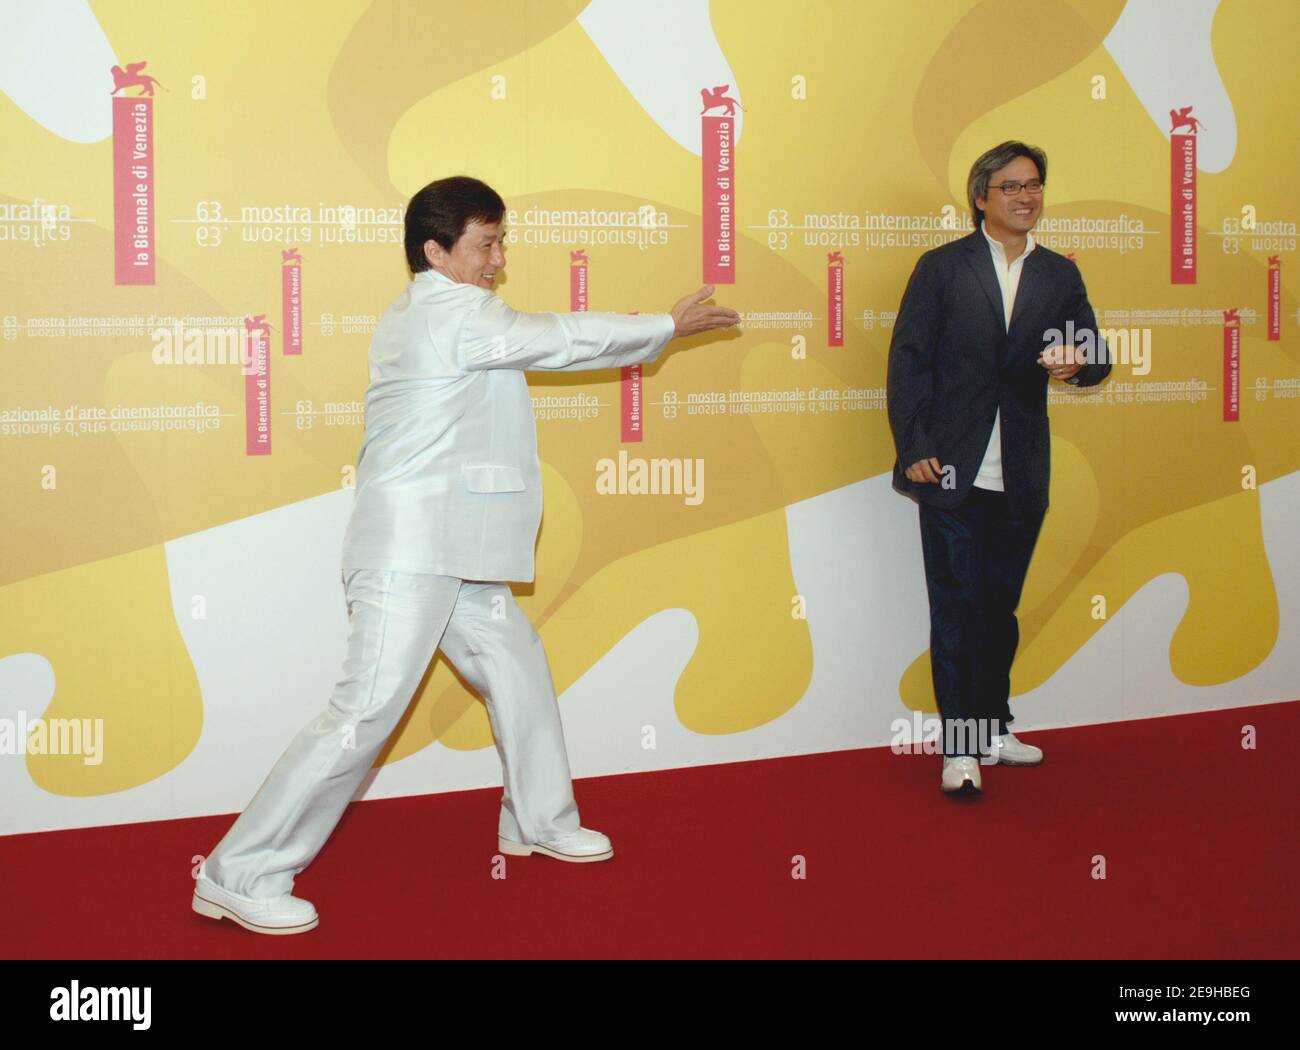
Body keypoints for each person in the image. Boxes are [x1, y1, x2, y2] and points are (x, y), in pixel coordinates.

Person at [192, 175, 740, 934]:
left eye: (500, 241)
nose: (498, 259)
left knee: (517, 668)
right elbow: (559, 338)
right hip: (411, 552)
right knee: (364, 714)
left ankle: (537, 819)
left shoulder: (440, 313)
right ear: (437, 252)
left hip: (457, 550)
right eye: (486, 244)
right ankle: (237, 871)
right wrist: (660, 327)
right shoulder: (449, 313)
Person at [886, 141, 1110, 797]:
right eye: (1010, 186)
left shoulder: (1058, 276)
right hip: (949, 469)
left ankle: (991, 727)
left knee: (999, 610)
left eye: (1034, 185)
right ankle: (959, 749)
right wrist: (915, 445)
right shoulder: (943, 269)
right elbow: (908, 364)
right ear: (981, 196)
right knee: (956, 609)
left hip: (1021, 473)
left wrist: (1079, 360)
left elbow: (1096, 356)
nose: (1025, 197)